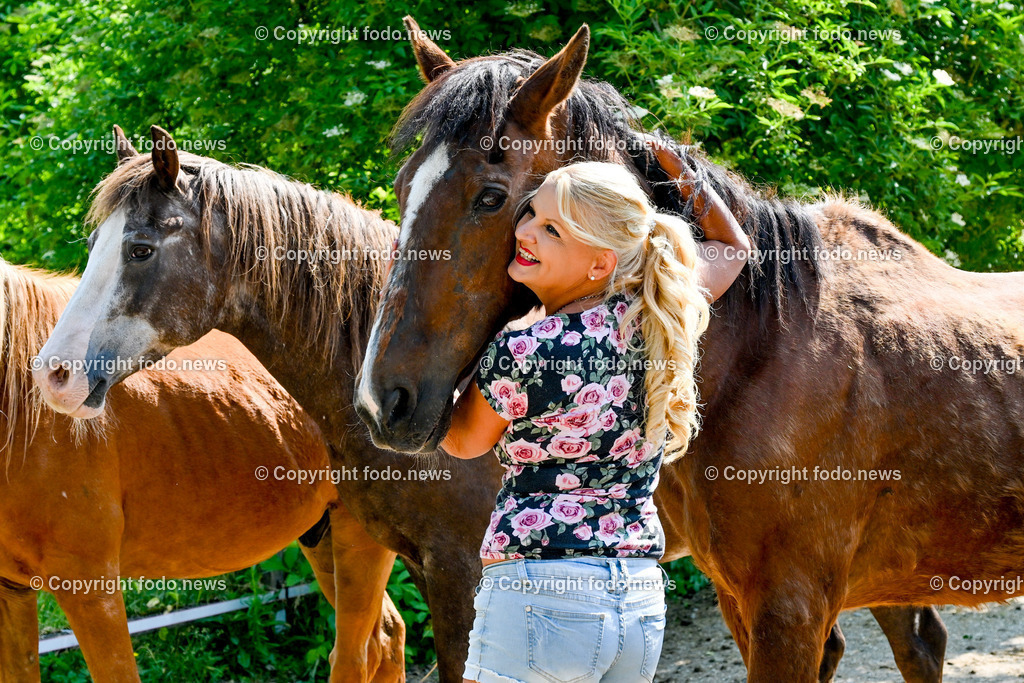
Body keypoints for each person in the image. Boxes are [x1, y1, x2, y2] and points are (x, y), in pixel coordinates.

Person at [439, 144, 750, 683]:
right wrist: (674, 164)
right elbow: (732, 248)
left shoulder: (526, 351)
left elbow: (462, 441)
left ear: (601, 263)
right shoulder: (660, 317)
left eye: (553, 231)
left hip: (539, 596)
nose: (525, 232)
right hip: (638, 600)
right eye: (531, 212)